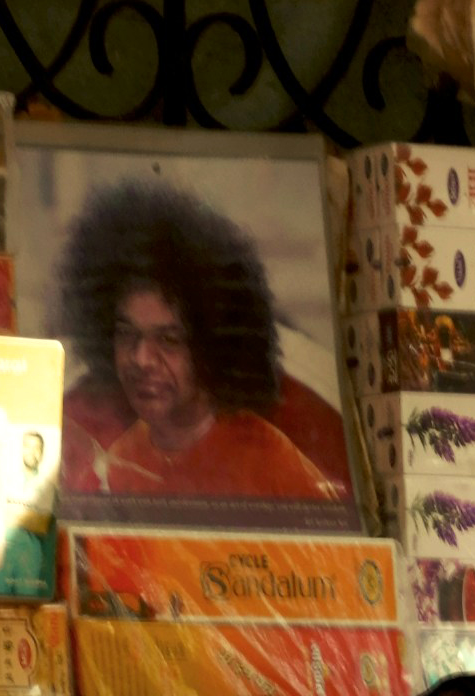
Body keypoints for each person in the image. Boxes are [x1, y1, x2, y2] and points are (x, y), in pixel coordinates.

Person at [57, 175, 347, 506]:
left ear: (213, 348)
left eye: (168, 339)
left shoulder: (274, 467)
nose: (141, 358)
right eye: (127, 334)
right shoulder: (118, 463)